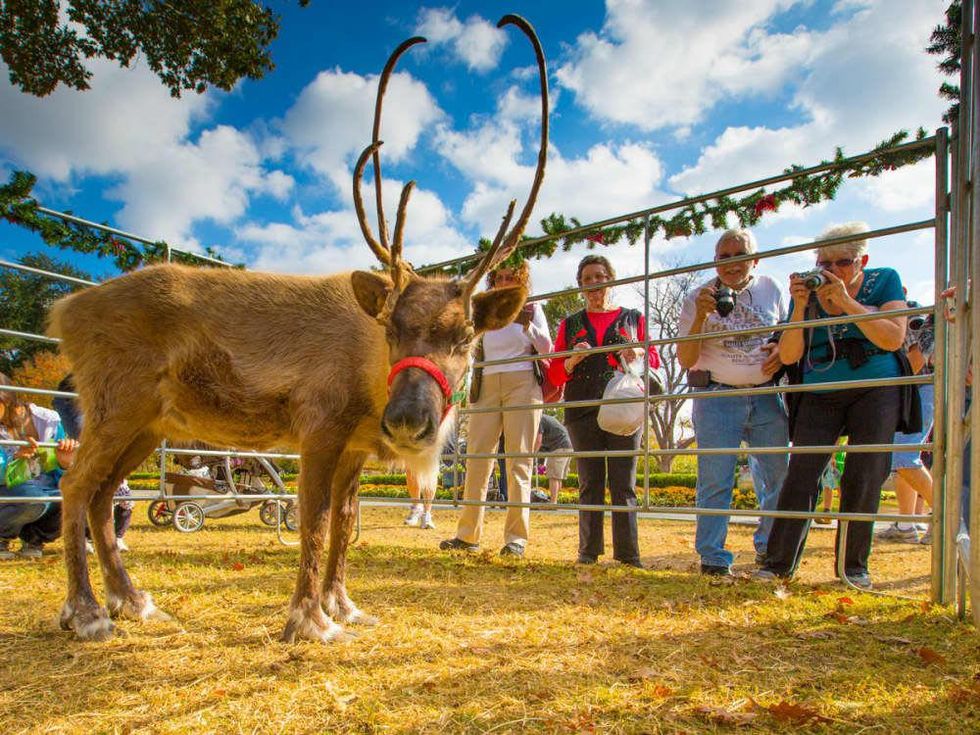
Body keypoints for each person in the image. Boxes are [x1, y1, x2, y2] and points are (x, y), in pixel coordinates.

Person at [756, 222, 909, 590]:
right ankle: (778, 564)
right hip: (820, 386)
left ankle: (852, 567)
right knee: (802, 473)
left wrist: (845, 302)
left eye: (842, 262)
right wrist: (800, 309)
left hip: (876, 385)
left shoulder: (884, 279)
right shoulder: (805, 293)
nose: (832, 271)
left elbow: (893, 337)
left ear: (862, 260)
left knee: (865, 473)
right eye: (824, 263)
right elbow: (791, 354)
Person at [677, 229, 788, 576]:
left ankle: (770, 547)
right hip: (716, 396)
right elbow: (685, 358)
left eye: (738, 255)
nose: (731, 264)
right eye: (723, 257)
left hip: (767, 395)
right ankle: (712, 556)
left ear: (755, 260)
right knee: (715, 477)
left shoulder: (772, 288)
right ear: (715, 262)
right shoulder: (698, 295)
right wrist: (699, 317)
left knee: (776, 475)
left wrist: (780, 354)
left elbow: (788, 335)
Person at [547, 254, 661, 567]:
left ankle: (628, 554)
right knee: (589, 481)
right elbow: (555, 373)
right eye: (587, 280)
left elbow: (654, 359)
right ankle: (588, 551)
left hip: (623, 407)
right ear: (580, 286)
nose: (595, 284)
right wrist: (572, 359)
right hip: (582, 407)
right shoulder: (570, 325)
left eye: (600, 276)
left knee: (623, 481)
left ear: (611, 278)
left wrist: (637, 351)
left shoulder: (633, 318)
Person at [440, 261, 552, 558]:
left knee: (518, 461)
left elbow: (548, 349)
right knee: (477, 458)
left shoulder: (532, 306)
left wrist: (527, 324)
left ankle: (516, 538)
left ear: (521, 279)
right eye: (499, 277)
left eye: (510, 277)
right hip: (486, 380)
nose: (503, 282)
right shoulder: (484, 308)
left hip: (523, 381)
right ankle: (467, 535)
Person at [0, 373, 78, 560]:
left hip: (44, 491)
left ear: (6, 398)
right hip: (12, 492)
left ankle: (34, 538)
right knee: (32, 497)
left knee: (76, 495)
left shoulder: (48, 420)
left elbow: (61, 472)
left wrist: (64, 462)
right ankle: (2, 535)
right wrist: (15, 460)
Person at [52, 374, 134, 552]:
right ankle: (84, 538)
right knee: (88, 446)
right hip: (79, 394)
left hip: (106, 397)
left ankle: (115, 536)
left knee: (121, 497)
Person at [877, 300, 935, 544]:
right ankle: (906, 525)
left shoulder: (908, 314)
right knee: (903, 462)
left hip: (919, 389)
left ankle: (948, 518)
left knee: (902, 457)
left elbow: (916, 360)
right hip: (912, 390)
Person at [535, 413, 573, 503]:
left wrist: (532, 454)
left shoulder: (538, 419)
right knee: (558, 477)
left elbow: (538, 441)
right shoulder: (546, 418)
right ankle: (554, 501)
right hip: (568, 446)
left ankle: (553, 503)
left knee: (553, 477)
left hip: (559, 447)